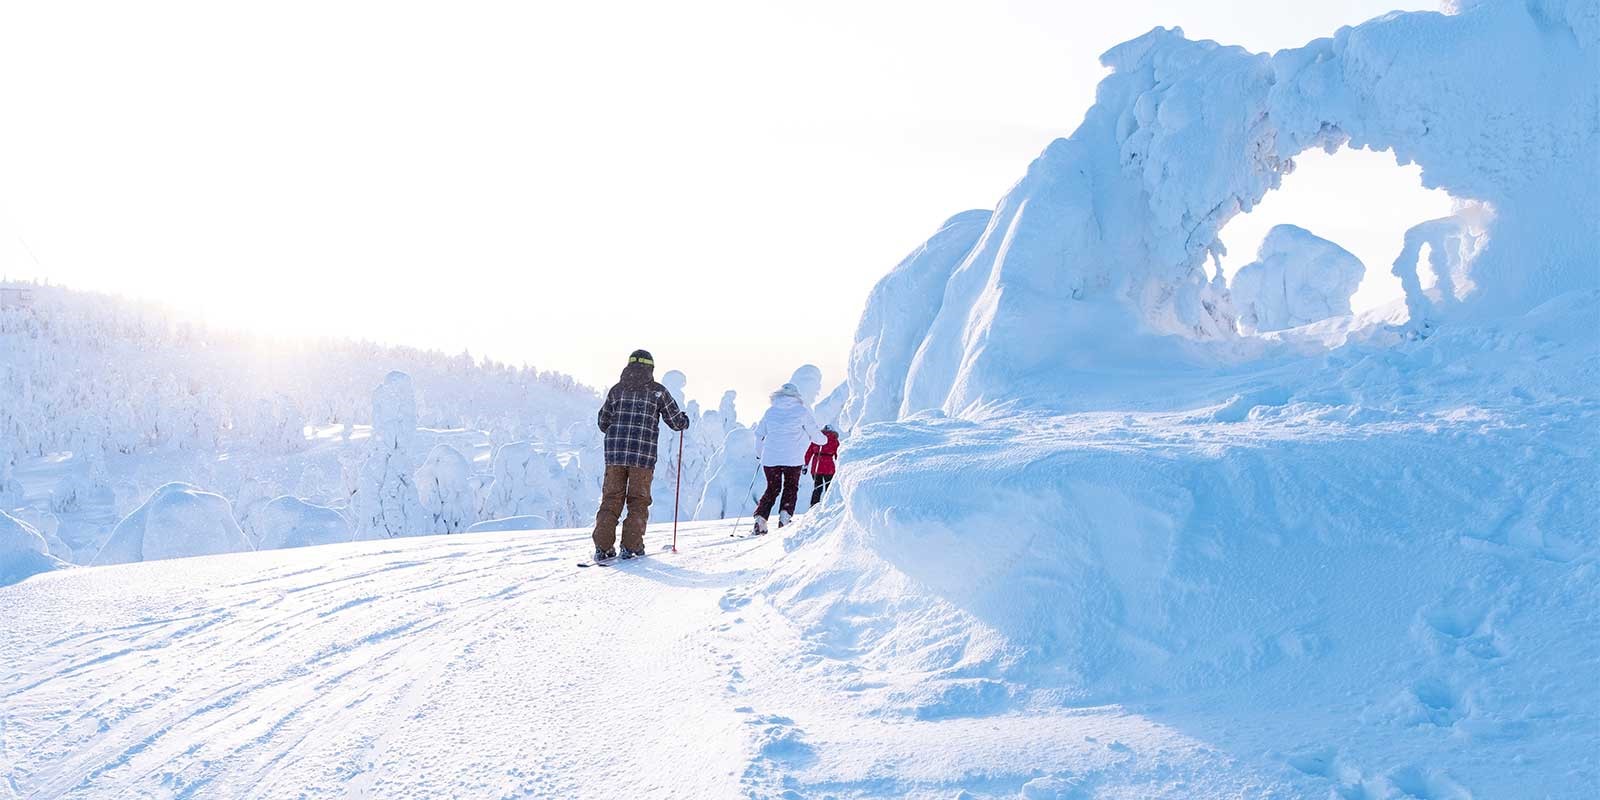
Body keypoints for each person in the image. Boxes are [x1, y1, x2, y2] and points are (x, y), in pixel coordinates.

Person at [592, 349, 690, 561]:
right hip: (642, 457)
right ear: (650, 368)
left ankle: (603, 547)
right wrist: (684, 420)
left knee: (611, 499)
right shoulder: (657, 392)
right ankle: (631, 546)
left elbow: (602, 422)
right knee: (638, 500)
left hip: (615, 455)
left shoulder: (617, 391)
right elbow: (675, 422)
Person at [750, 383, 826, 534]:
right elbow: (816, 436)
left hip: (771, 459)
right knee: (791, 487)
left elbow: (759, 435)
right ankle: (784, 517)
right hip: (793, 459)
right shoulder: (801, 411)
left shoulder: (770, 412)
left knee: (772, 488)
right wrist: (824, 440)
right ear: (796, 396)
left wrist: (759, 454)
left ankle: (760, 519)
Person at [804, 424, 840, 508]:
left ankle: (813, 506)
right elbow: (838, 454)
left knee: (817, 487)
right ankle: (830, 505)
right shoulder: (834, 440)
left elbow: (808, 453)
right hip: (829, 467)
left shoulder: (817, 440)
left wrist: (805, 465)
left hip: (816, 466)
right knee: (829, 487)